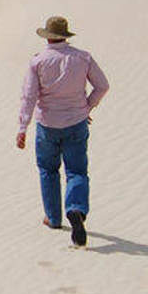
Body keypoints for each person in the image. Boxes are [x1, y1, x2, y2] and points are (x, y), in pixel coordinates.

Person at [16, 15, 109, 247]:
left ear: (48, 37)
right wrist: (87, 106)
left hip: (47, 125)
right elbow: (103, 85)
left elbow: (29, 97)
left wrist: (22, 127)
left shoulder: (37, 62)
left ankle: (54, 218)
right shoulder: (83, 58)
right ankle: (76, 208)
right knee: (76, 171)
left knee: (48, 170)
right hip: (76, 123)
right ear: (65, 36)